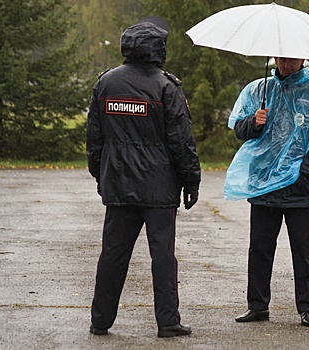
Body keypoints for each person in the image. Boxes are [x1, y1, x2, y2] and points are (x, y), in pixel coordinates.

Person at [86, 16, 201, 337]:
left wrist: (101, 176)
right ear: (158, 50)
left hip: (118, 183)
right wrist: (191, 181)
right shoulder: (167, 86)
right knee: (163, 256)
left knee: (112, 254)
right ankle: (168, 322)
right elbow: (181, 141)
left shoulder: (105, 83)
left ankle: (100, 320)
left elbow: (95, 139)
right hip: (159, 187)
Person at [225, 57, 309, 327]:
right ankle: (257, 306)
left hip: (301, 190)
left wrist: (303, 172)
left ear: (302, 59)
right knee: (259, 248)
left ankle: (307, 307)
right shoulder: (259, 90)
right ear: (275, 59)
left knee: (304, 251)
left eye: (292, 58)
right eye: (282, 58)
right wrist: (254, 123)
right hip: (264, 185)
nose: (287, 64)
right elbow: (239, 129)